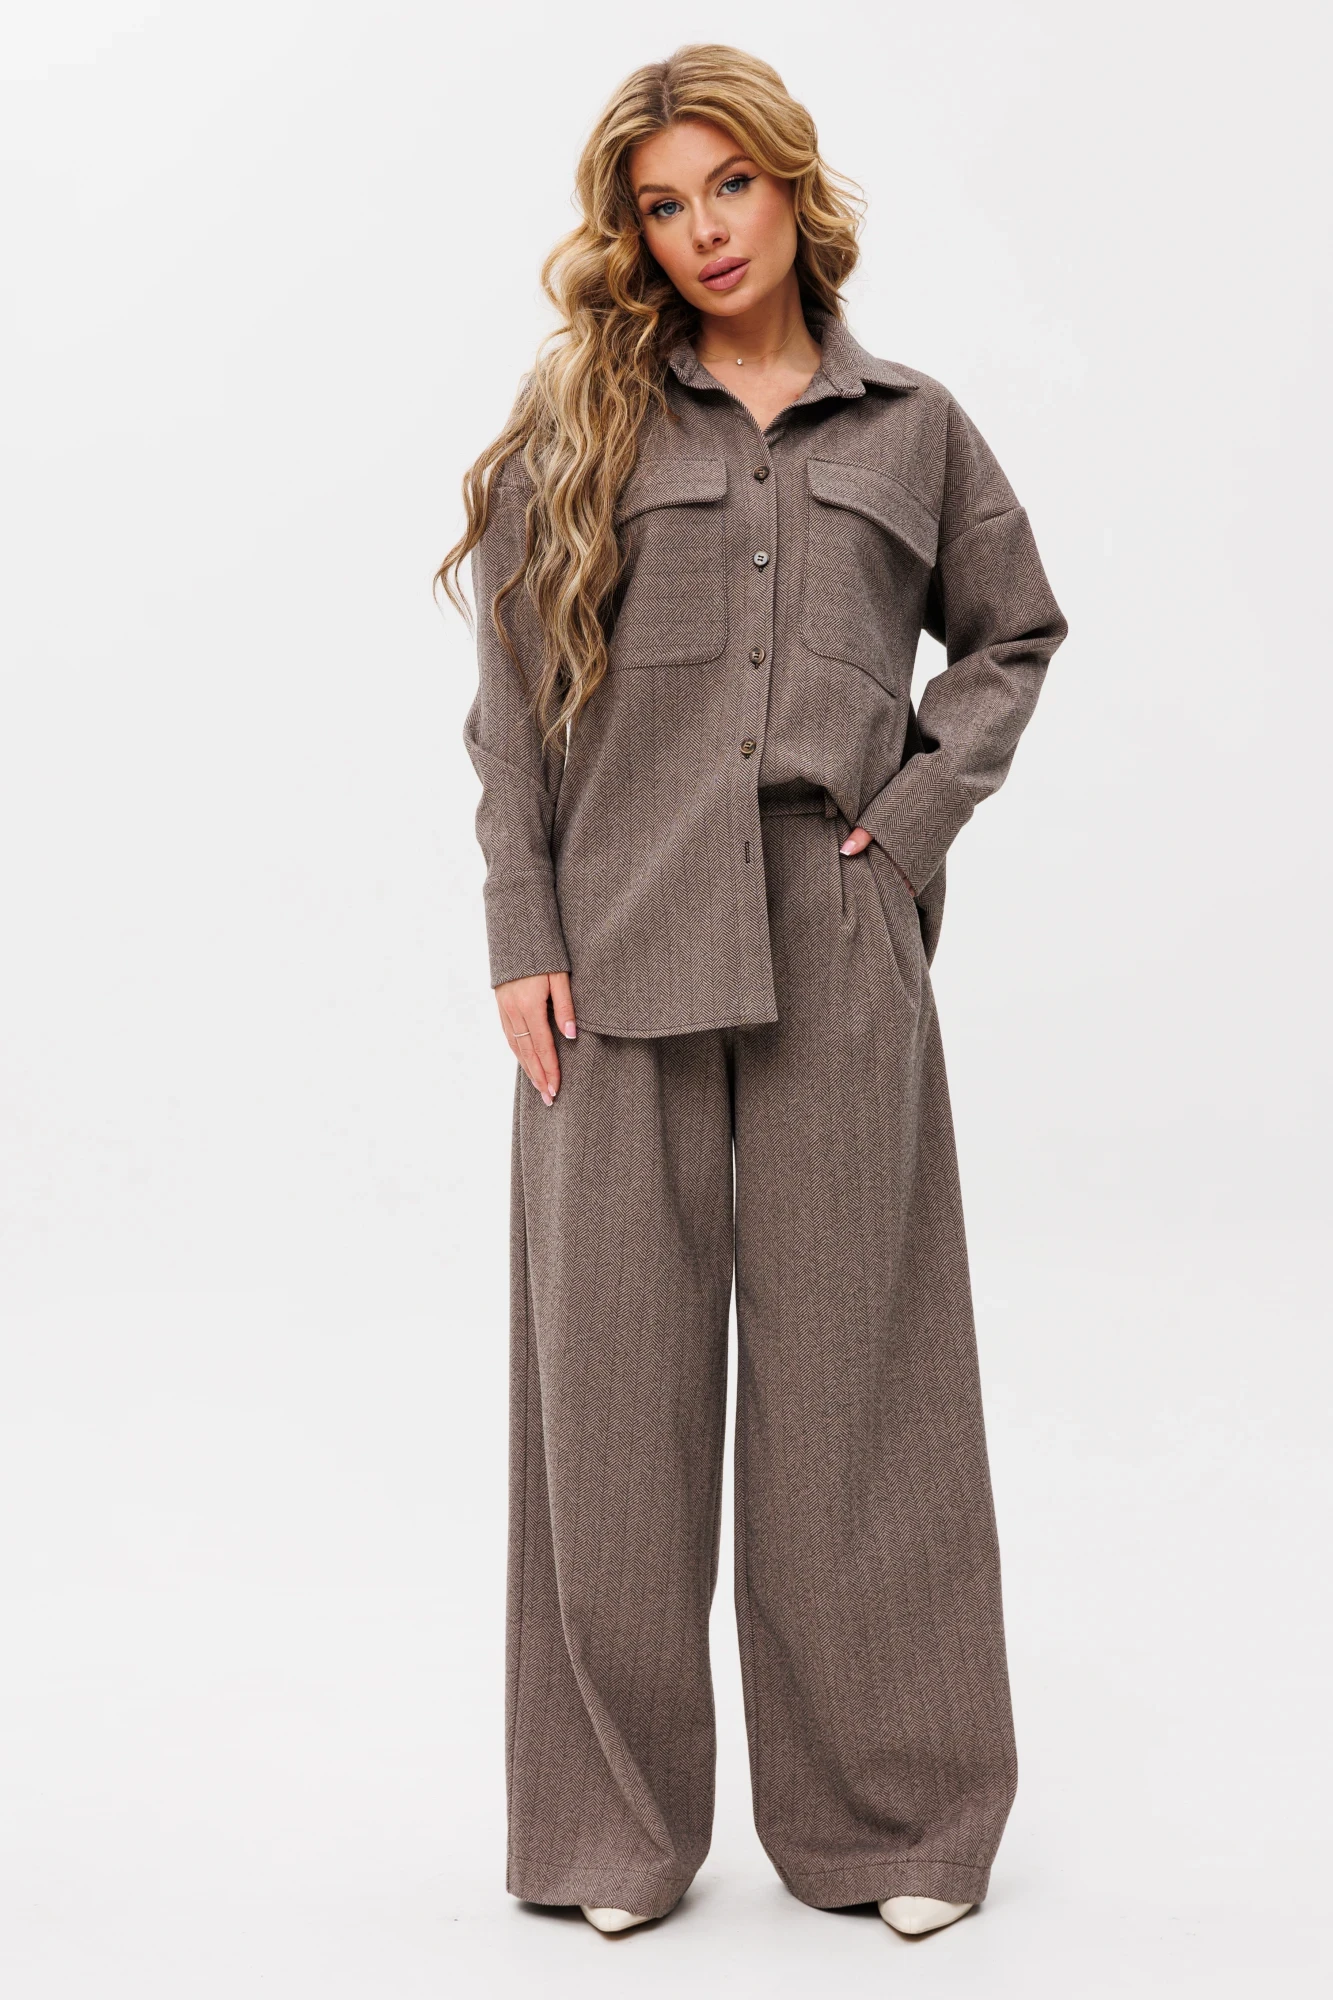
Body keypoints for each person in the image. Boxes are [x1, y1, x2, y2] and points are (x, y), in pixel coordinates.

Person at [438, 43, 1069, 1942]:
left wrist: (910, 823)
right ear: (630, 233)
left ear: (793, 187)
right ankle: (610, 1833)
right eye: (663, 205)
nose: (704, 230)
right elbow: (509, 709)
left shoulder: (916, 429)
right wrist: (522, 929)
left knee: (864, 1391)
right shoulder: (587, 427)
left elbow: (1014, 634)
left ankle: (899, 1820)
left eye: (731, 186)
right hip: (613, 950)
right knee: (608, 1407)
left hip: (837, 935)